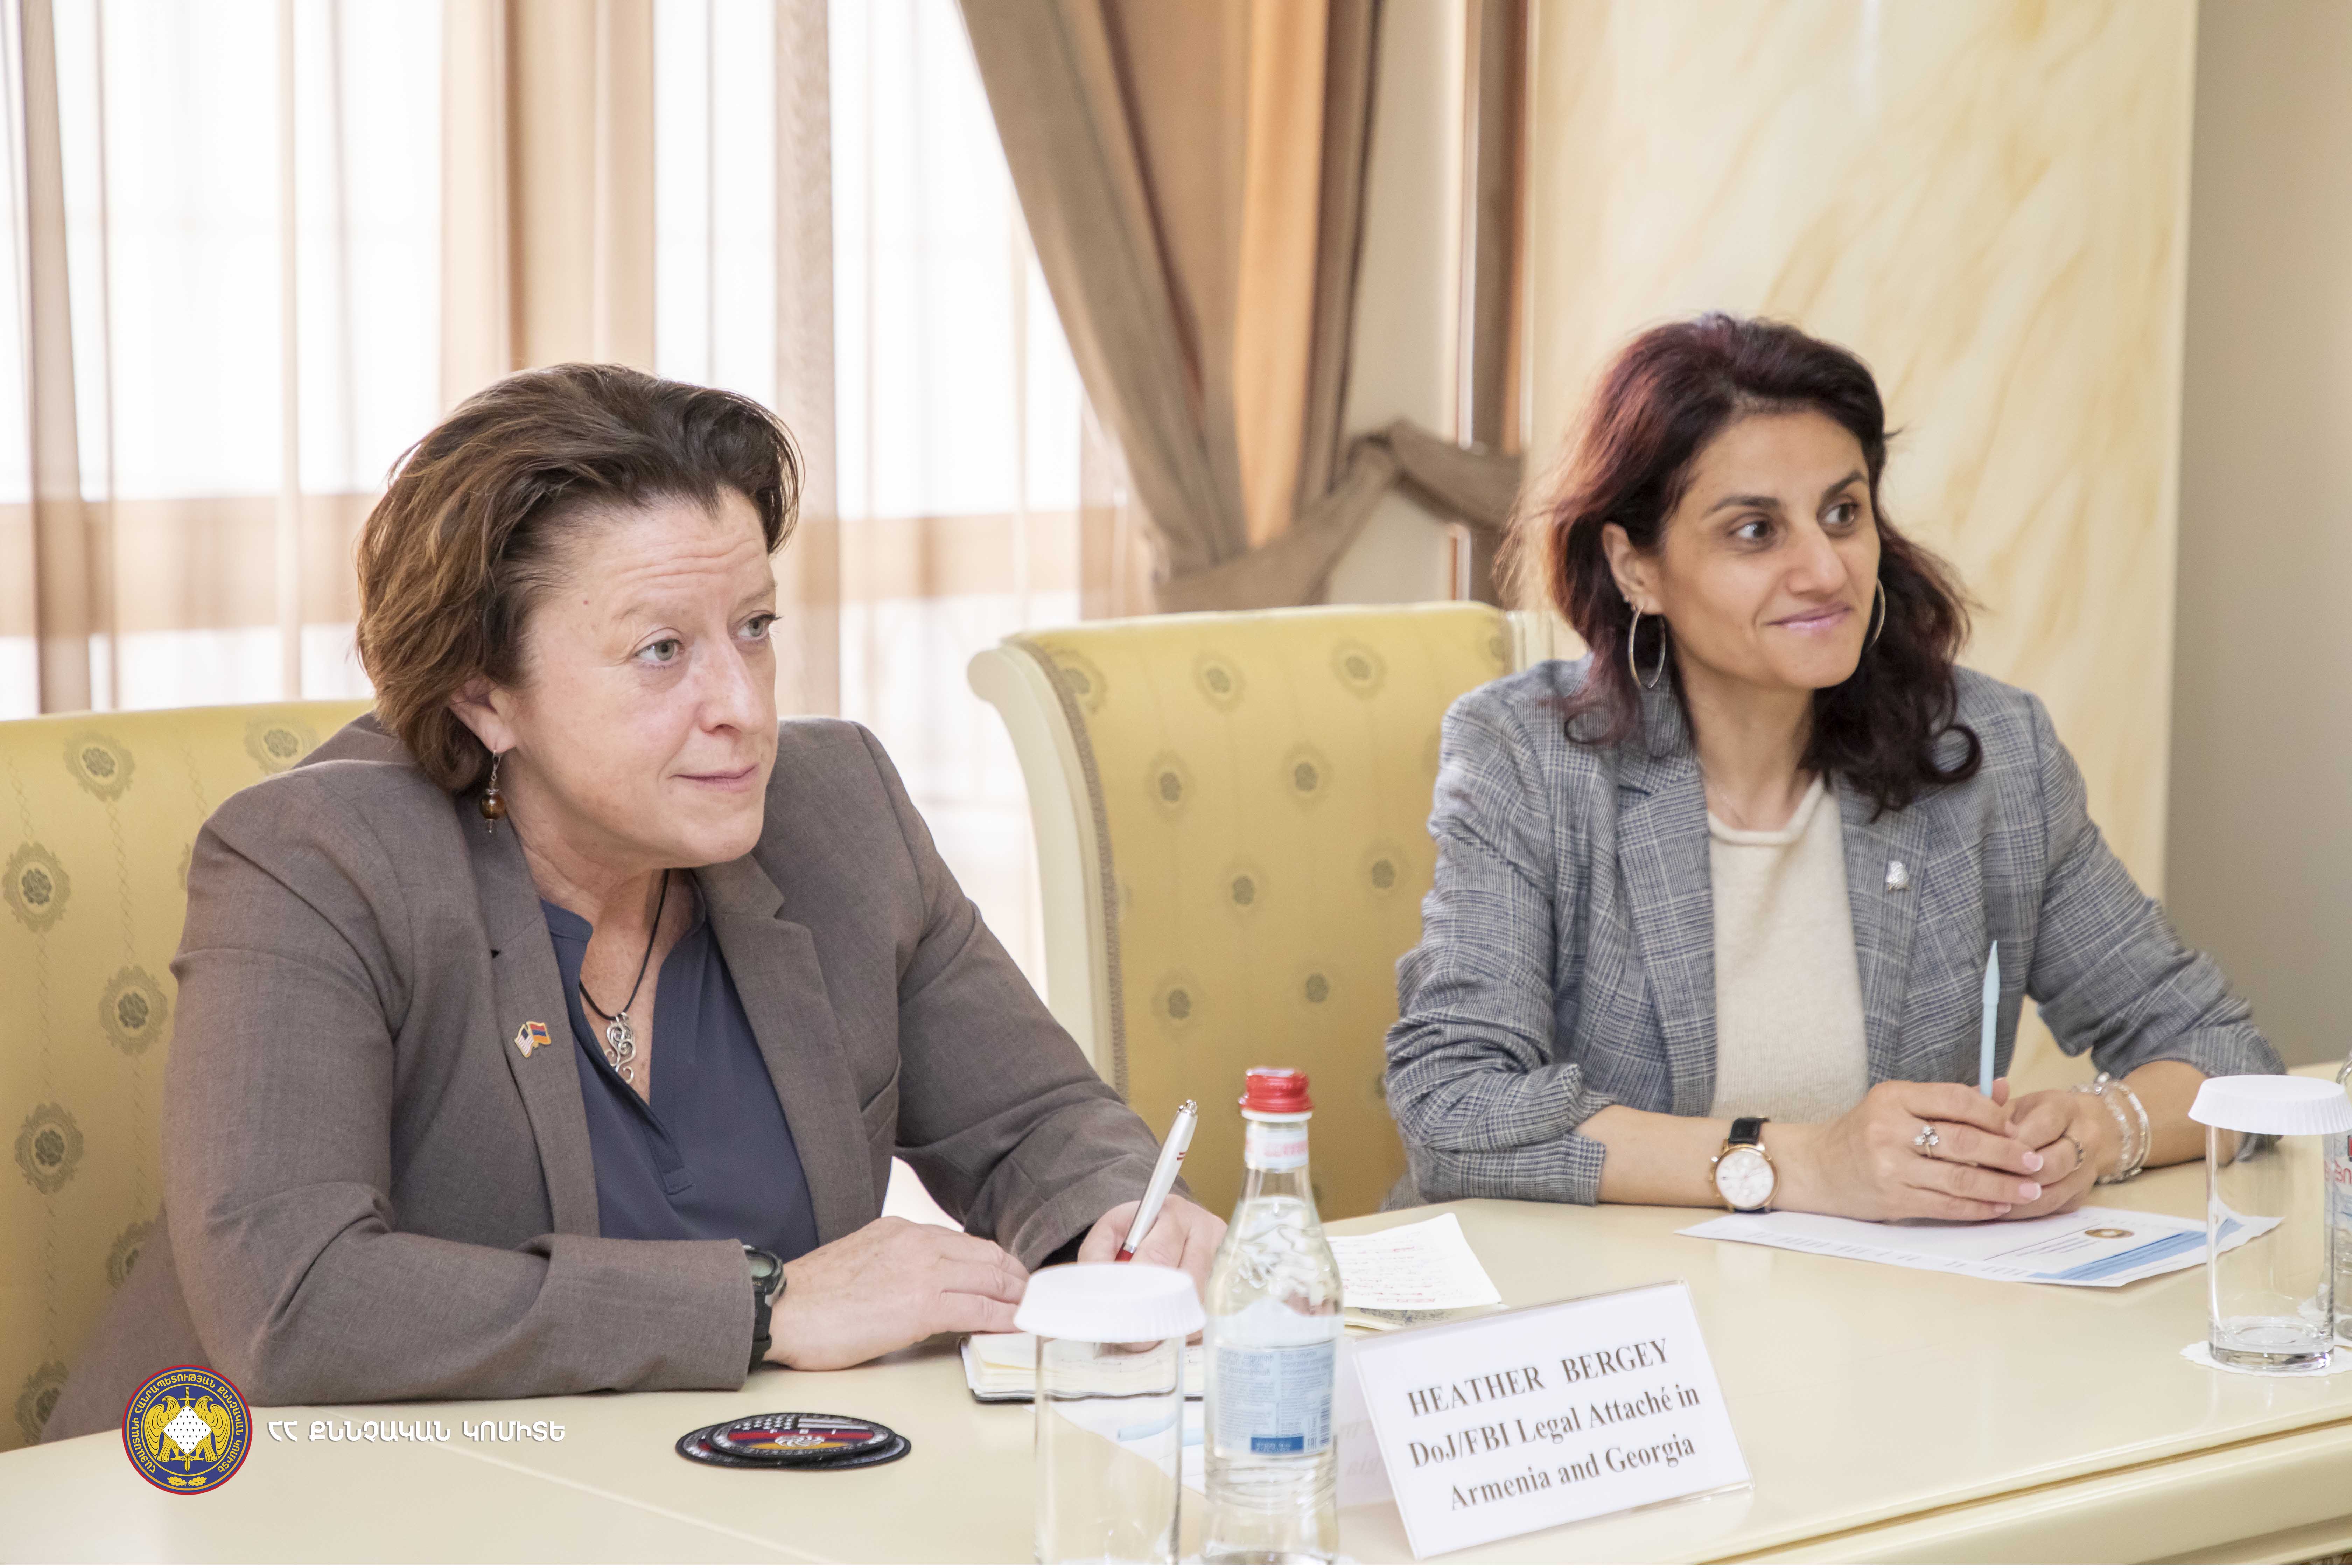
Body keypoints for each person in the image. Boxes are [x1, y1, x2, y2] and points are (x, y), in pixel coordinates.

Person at [44, 364, 1220, 1440]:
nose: (742, 707)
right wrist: (760, 1308)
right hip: (297, 1503)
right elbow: (295, 1299)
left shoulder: (839, 809)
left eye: (754, 629)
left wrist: (1117, 1219)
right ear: (485, 695)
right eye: (662, 651)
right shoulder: (318, 861)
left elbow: (1035, 1123)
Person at [1383, 314, 2278, 1220]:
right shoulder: (1526, 758)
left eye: (1843, 514)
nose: (1825, 570)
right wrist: (1798, 1163)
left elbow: (2225, 1054)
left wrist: (2099, 1130)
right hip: (1592, 1300)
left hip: (1877, 1301)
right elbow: (1452, 1108)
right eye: (1755, 531)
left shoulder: (1988, 753)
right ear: (1635, 567)